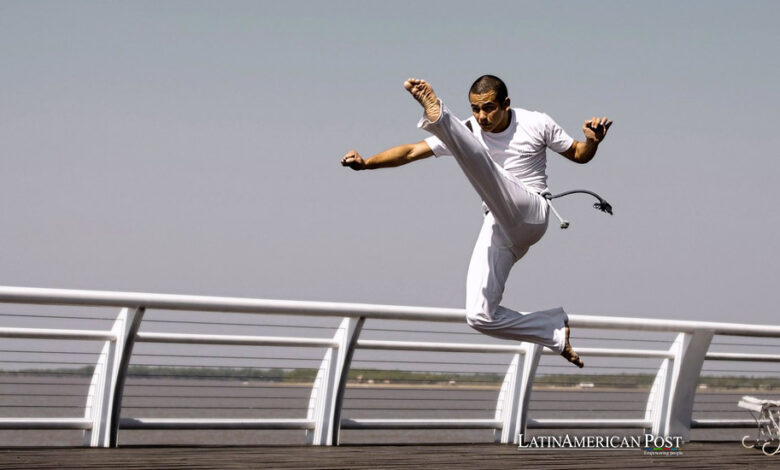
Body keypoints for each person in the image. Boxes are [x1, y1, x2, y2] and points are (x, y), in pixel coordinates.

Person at [340, 76, 612, 367]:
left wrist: (592, 142)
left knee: (475, 156)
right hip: (499, 225)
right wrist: (368, 163)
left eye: (489, 108)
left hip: (531, 210)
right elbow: (410, 151)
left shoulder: (536, 122)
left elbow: (580, 155)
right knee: (479, 315)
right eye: (475, 109)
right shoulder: (469, 130)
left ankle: (439, 114)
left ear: (506, 104)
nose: (481, 116)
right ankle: (552, 330)